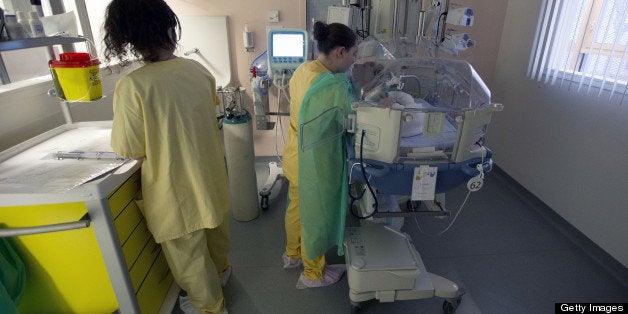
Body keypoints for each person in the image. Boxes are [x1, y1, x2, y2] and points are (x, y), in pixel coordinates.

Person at [103, 1, 230, 313]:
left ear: (127, 39)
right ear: (170, 28)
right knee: (216, 235)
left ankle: (210, 307)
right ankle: (223, 276)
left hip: (175, 191)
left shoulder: (132, 86)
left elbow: (129, 147)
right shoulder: (198, 70)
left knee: (188, 255)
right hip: (210, 177)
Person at [282, 21, 358, 289]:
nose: (352, 61)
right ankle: (313, 273)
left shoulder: (304, 69)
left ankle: (292, 254)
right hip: (314, 163)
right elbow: (351, 118)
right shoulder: (331, 85)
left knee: (297, 207)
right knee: (315, 214)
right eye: (353, 55)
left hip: (294, 155)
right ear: (340, 52)